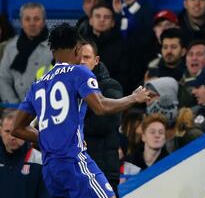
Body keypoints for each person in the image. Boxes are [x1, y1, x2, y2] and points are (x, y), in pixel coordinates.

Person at [11, 23, 150, 198]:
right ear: (77, 50)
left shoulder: (38, 84)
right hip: (73, 162)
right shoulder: (79, 73)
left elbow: (17, 128)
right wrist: (133, 98)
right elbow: (100, 107)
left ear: (52, 52)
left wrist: (53, 139)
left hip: (50, 168)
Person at [80, 41, 123, 197]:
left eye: (86, 57)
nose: (82, 61)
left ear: (96, 60)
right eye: (78, 57)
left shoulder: (111, 87)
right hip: (75, 170)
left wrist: (73, 126)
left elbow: (106, 123)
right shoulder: (66, 87)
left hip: (102, 170)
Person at [0, 2, 52, 104]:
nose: (32, 23)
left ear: (44, 21)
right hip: (15, 108)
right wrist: (14, 106)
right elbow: (3, 79)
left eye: (36, 19)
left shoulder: (56, 46)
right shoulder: (11, 47)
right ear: (21, 22)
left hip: (47, 108)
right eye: (27, 19)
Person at [0, 109, 51, 198]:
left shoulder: (40, 160)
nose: (12, 137)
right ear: (0, 130)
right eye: (7, 131)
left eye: (16, 132)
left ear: (25, 131)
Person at [178, 40, 205, 108]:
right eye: (190, 54)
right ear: (185, 62)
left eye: (199, 54)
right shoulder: (178, 84)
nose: (194, 58)